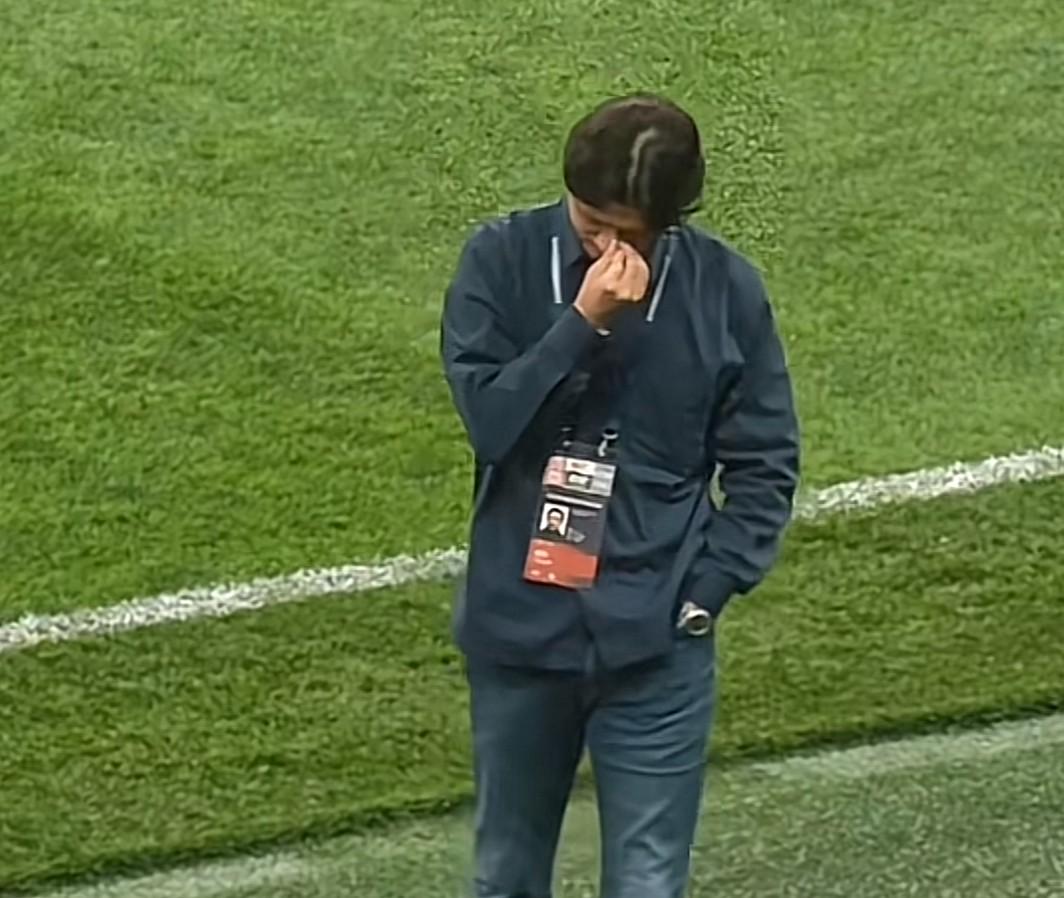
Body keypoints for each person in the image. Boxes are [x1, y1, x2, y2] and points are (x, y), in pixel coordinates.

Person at [440, 94, 800, 898]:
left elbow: (766, 459)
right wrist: (582, 322)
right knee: (505, 875)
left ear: (670, 223)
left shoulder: (725, 291)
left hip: (656, 642)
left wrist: (706, 594)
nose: (604, 247)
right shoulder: (500, 261)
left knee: (646, 882)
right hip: (521, 638)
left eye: (625, 234)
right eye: (589, 224)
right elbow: (492, 424)